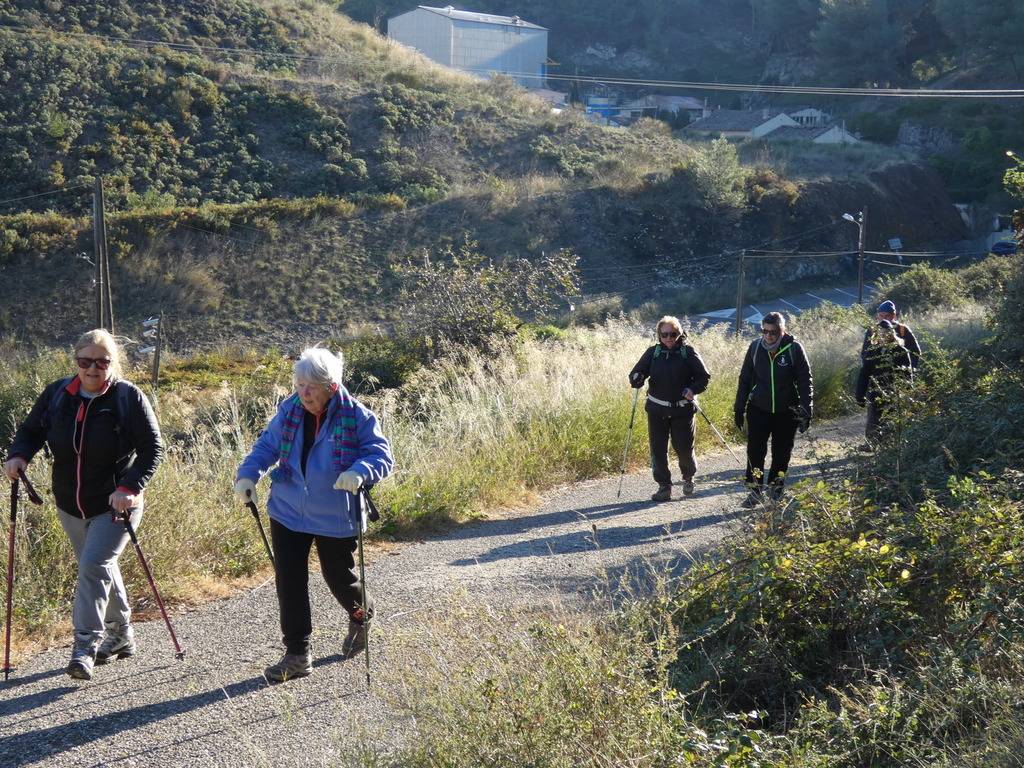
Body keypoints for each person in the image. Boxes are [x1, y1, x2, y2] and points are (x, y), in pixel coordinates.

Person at [3, 329, 163, 681]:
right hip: (70, 504)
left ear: (113, 363)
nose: (93, 368)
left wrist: (128, 487)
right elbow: (31, 431)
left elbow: (153, 449)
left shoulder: (127, 397)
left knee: (93, 565)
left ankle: (85, 647)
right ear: (75, 361)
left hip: (116, 503)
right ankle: (121, 635)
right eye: (85, 361)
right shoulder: (58, 394)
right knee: (101, 568)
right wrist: (18, 456)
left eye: (102, 362)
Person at [235, 347, 393, 683]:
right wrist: (248, 475)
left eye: (311, 386)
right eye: (299, 384)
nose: (303, 393)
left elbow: (381, 456)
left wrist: (361, 471)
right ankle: (297, 654)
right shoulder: (289, 411)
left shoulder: (358, 416)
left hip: (335, 514)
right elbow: (267, 447)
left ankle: (361, 614)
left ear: (331, 387)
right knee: (289, 580)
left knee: (339, 578)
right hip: (288, 509)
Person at [733, 312, 813, 507]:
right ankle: (755, 490)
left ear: (782, 330)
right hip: (759, 408)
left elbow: (805, 380)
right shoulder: (755, 348)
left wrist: (806, 409)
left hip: (787, 411)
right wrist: (738, 407)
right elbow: (745, 379)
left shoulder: (794, 348)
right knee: (755, 451)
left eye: (773, 332)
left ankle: (776, 489)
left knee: (782, 452)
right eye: (765, 331)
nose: (769, 336)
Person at [629, 316, 711, 501]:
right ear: (659, 335)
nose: (668, 338)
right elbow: (637, 372)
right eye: (664, 334)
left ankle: (688, 477)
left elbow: (703, 377)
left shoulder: (688, 352)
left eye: (673, 334)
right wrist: (637, 378)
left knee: (684, 449)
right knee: (657, 450)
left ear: (679, 333)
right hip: (657, 409)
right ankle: (664, 487)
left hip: (682, 410)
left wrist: (692, 389)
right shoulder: (653, 352)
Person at [856, 319, 914, 444]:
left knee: (891, 419)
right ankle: (871, 443)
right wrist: (859, 394)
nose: (883, 336)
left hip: (894, 391)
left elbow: (907, 374)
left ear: (891, 334)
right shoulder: (872, 352)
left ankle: (889, 444)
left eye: (886, 333)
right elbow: (864, 373)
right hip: (875, 391)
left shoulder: (901, 352)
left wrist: (907, 392)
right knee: (873, 418)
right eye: (880, 334)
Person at [862, 300, 920, 368]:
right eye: (881, 315)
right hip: (877, 372)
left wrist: (909, 369)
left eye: (887, 316)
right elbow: (865, 353)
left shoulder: (903, 329)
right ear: (878, 316)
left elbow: (915, 352)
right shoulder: (872, 330)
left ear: (893, 316)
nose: (884, 318)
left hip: (898, 371)